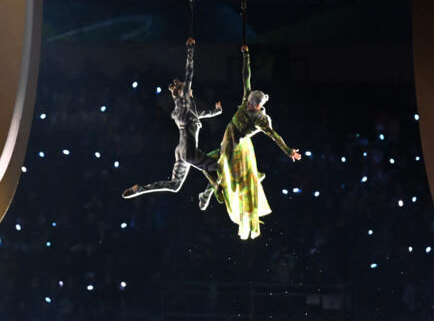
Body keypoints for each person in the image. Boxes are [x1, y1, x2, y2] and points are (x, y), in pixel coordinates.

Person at [198, 44, 301, 240]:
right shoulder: (247, 97)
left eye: (252, 106)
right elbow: (246, 76)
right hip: (229, 136)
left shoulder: (261, 119)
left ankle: (215, 190)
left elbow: (274, 136)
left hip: (237, 144)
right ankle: (215, 188)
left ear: (258, 106)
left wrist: (289, 151)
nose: (248, 106)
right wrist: (245, 55)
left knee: (218, 166)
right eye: (248, 103)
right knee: (206, 164)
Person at [122, 37, 222, 198]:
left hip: (181, 150)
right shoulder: (184, 102)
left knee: (175, 186)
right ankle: (209, 195)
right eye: (187, 87)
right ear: (183, 91)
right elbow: (189, 73)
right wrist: (190, 49)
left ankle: (140, 189)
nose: (190, 89)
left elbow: (199, 115)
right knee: (219, 167)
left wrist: (216, 111)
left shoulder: (183, 108)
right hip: (188, 151)